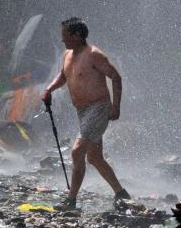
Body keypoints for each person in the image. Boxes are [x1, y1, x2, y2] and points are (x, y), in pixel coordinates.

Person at [42, 17, 130, 210]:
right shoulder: (67, 54)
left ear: (77, 35)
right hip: (82, 111)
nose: (62, 40)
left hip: (98, 108)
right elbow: (63, 76)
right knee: (94, 158)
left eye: (65, 35)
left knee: (77, 151)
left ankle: (71, 200)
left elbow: (115, 77)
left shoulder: (94, 55)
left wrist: (116, 107)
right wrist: (49, 89)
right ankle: (121, 193)